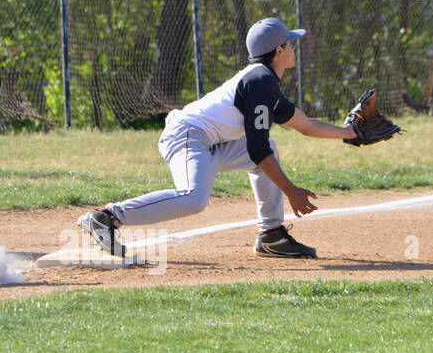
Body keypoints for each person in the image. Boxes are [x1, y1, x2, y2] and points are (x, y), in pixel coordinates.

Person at [78, 17, 365, 259]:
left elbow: (305, 125)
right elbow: (256, 148)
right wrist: (291, 190)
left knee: (270, 152)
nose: (293, 48)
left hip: (211, 142)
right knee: (194, 198)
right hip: (189, 134)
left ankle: (272, 236)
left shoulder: (264, 83)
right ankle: (106, 216)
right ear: (279, 50)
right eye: (290, 43)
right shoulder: (260, 82)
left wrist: (349, 132)